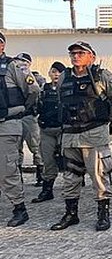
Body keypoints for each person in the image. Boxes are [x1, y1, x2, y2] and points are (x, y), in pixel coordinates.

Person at [51, 40, 112, 232]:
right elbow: (60, 101)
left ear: (91, 56)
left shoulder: (101, 76)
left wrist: (106, 121)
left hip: (93, 134)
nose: (76, 56)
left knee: (98, 175)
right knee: (70, 176)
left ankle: (103, 214)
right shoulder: (64, 76)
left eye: (81, 53)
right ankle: (71, 214)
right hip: (70, 134)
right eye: (73, 53)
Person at [0, 32, 40, 226]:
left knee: (7, 169)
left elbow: (33, 90)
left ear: (2, 45)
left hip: (7, 124)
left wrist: (22, 108)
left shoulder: (14, 66)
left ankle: (19, 209)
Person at [32, 61, 66, 204]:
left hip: (64, 130)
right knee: (48, 160)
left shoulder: (67, 88)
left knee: (68, 160)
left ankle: (74, 187)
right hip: (47, 130)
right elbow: (36, 105)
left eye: (59, 72)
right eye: (53, 71)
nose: (56, 74)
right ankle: (47, 190)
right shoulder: (43, 90)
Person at [13, 52, 44, 187]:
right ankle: (17, 176)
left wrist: (27, 105)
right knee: (15, 148)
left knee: (35, 146)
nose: (21, 65)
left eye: (24, 62)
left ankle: (41, 175)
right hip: (15, 117)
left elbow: (36, 92)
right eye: (19, 61)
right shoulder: (12, 77)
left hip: (29, 116)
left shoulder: (36, 78)